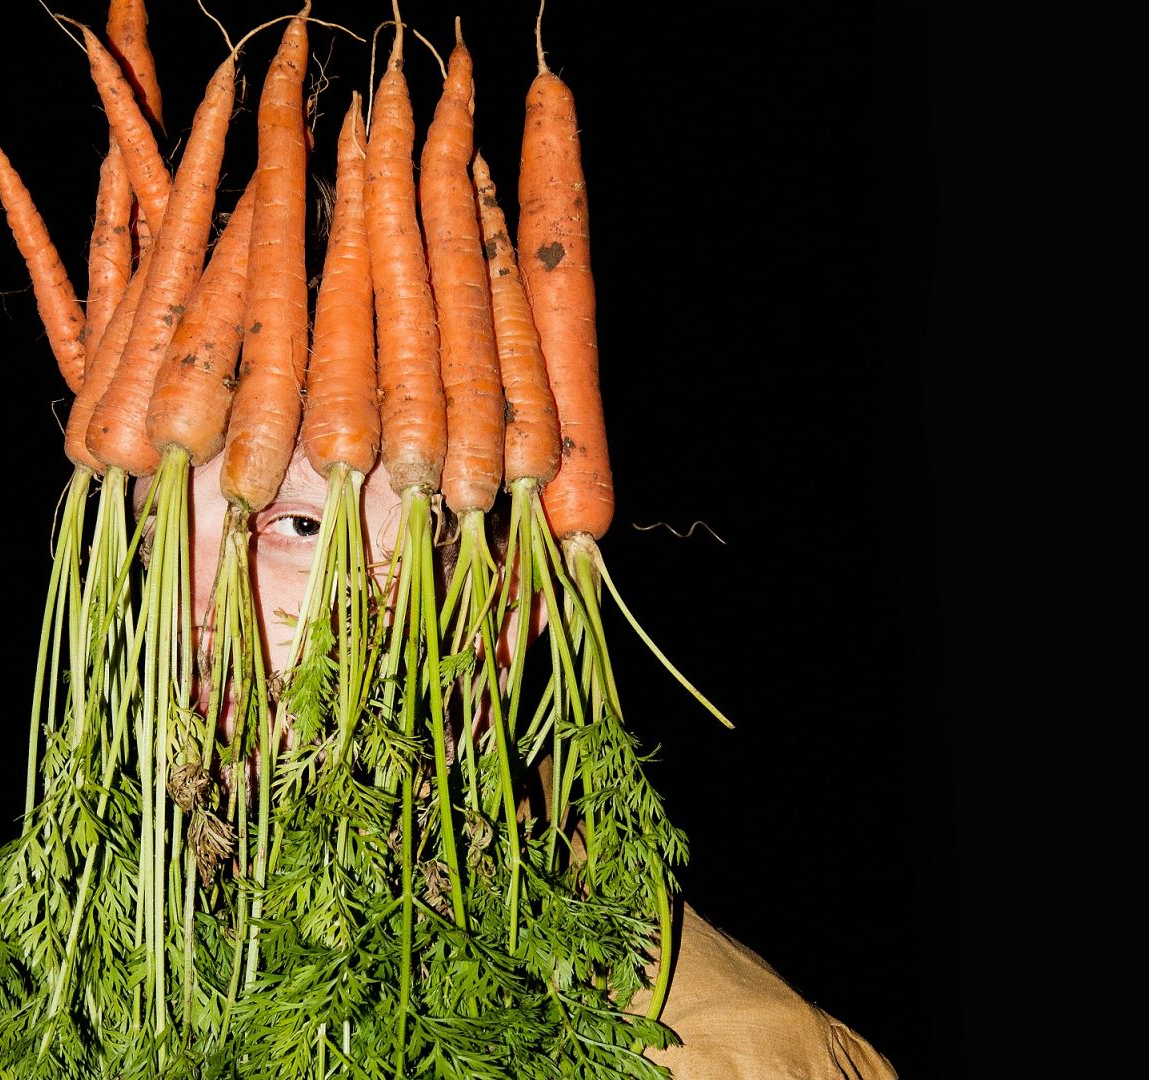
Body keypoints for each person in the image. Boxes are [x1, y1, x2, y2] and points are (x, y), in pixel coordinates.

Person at [151, 448, 899, 1080]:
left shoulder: (727, 1058)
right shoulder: (143, 954)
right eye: (155, 533)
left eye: (298, 525)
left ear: (499, 613)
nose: (185, 607)